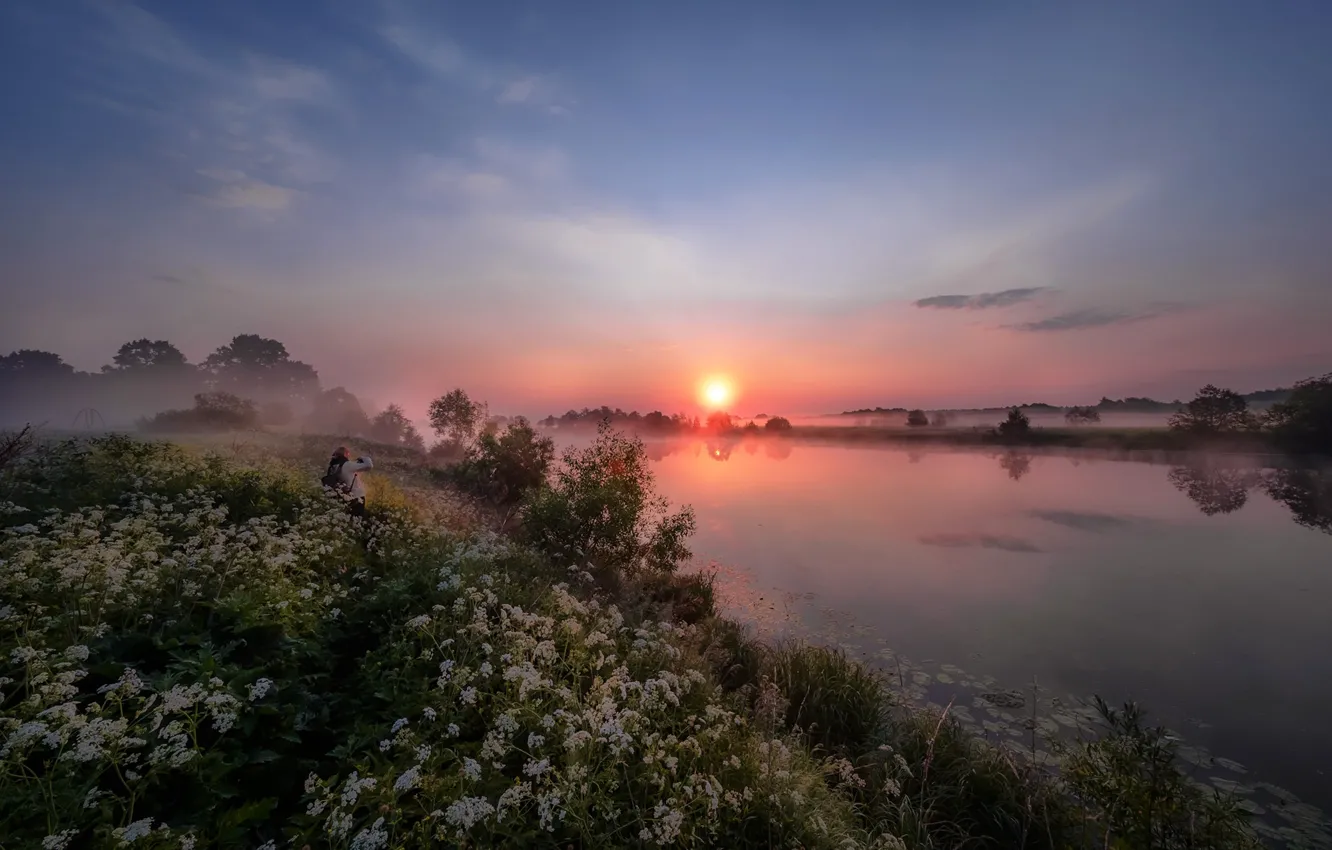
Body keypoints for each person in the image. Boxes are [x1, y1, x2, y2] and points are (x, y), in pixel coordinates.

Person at [322, 445, 373, 518]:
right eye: (348, 454)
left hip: (341, 498)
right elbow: (369, 465)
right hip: (356, 497)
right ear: (345, 454)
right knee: (357, 520)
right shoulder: (348, 465)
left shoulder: (332, 467)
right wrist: (363, 458)